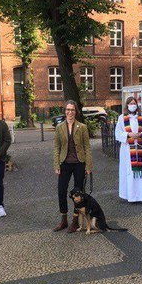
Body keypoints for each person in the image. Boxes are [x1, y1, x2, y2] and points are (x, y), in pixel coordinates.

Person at [53, 100, 92, 233]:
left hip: (79, 164)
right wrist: (56, 164)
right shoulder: (59, 127)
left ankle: (75, 221)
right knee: (61, 191)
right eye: (68, 110)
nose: (70, 112)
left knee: (78, 193)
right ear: (65, 111)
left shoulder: (82, 127)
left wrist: (89, 165)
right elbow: (56, 147)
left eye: (72, 110)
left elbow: (87, 147)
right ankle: (64, 219)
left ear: (76, 112)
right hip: (64, 163)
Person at [115, 96, 142, 203]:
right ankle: (131, 196)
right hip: (128, 150)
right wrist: (128, 134)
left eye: (134, 103)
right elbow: (118, 133)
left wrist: (140, 134)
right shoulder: (122, 118)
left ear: (137, 105)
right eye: (130, 103)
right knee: (130, 172)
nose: (132, 105)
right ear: (127, 105)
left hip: (141, 148)